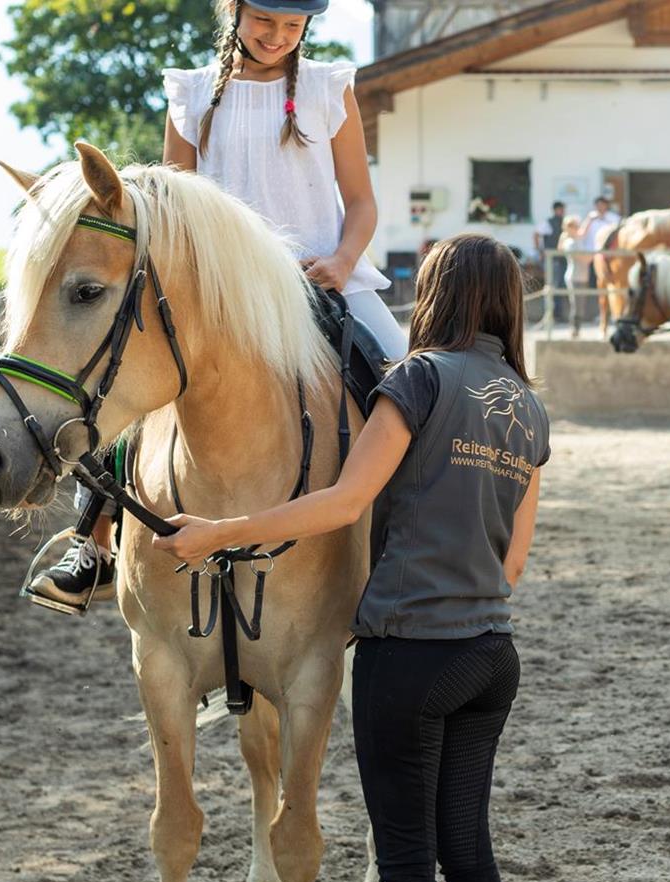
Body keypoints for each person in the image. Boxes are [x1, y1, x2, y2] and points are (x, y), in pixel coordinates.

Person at [154, 234, 550, 882]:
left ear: (436, 295)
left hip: (411, 657)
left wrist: (224, 532)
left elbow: (345, 502)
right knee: (467, 851)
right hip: (491, 655)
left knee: (403, 861)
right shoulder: (528, 409)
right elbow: (512, 561)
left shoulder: (419, 379)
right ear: (509, 304)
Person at [29, 0, 406, 609]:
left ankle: (408, 548)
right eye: (265, 22)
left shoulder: (327, 89)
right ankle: (93, 543)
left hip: (321, 279)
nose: (278, 37)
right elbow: (173, 213)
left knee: (408, 382)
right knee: (131, 378)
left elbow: (360, 202)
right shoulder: (193, 94)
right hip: (221, 296)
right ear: (233, 11)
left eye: (292, 27)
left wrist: (340, 260)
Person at [558, 214, 590, 336]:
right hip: (575, 276)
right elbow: (583, 258)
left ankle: (577, 329)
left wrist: (590, 219)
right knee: (576, 305)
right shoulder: (570, 242)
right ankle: (574, 329)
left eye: (577, 225)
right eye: (574, 226)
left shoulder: (577, 240)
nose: (577, 228)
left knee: (580, 305)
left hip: (582, 275)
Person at [535, 200, 567, 310]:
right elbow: (536, 234)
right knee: (551, 285)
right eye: (560, 209)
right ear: (555, 210)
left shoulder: (565, 222)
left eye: (563, 209)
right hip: (552, 260)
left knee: (560, 286)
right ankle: (549, 313)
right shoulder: (548, 222)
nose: (562, 211)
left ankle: (557, 313)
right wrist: (540, 252)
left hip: (562, 259)